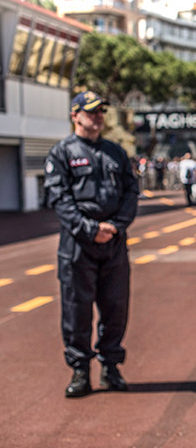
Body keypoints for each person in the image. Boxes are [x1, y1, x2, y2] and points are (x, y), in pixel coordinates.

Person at [44, 91, 139, 397]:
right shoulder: (62, 153)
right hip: (78, 246)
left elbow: (130, 191)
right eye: (92, 111)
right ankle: (80, 371)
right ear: (75, 115)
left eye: (101, 112)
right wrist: (89, 229)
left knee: (116, 307)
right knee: (77, 311)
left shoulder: (115, 152)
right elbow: (59, 197)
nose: (98, 116)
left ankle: (111, 368)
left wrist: (115, 226)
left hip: (112, 243)